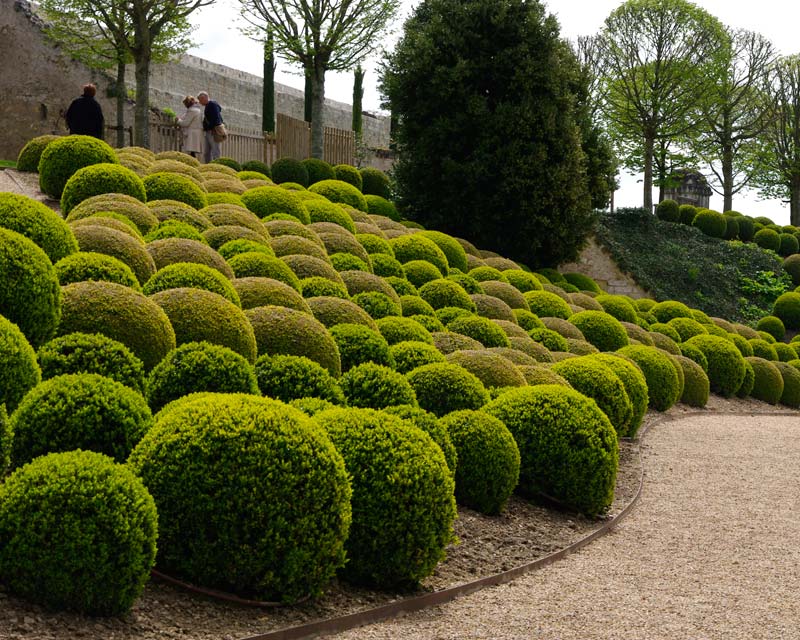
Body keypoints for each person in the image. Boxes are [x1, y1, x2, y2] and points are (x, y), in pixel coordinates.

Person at [197, 90, 223, 163]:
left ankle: (216, 166)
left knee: (215, 151)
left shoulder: (212, 104)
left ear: (204, 98)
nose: (200, 102)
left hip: (213, 131)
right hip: (209, 131)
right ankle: (208, 166)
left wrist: (211, 128)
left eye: (200, 100)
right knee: (206, 152)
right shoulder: (209, 105)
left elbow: (216, 118)